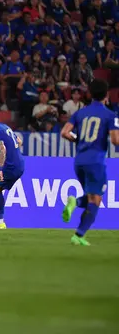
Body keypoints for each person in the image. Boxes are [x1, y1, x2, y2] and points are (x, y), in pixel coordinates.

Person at [61, 79, 119, 246]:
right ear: (107, 95)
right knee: (96, 199)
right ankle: (79, 235)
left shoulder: (81, 112)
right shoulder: (110, 115)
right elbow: (115, 140)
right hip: (96, 161)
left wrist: (78, 141)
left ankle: (76, 204)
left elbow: (65, 133)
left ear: (90, 94)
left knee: (91, 196)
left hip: (79, 161)